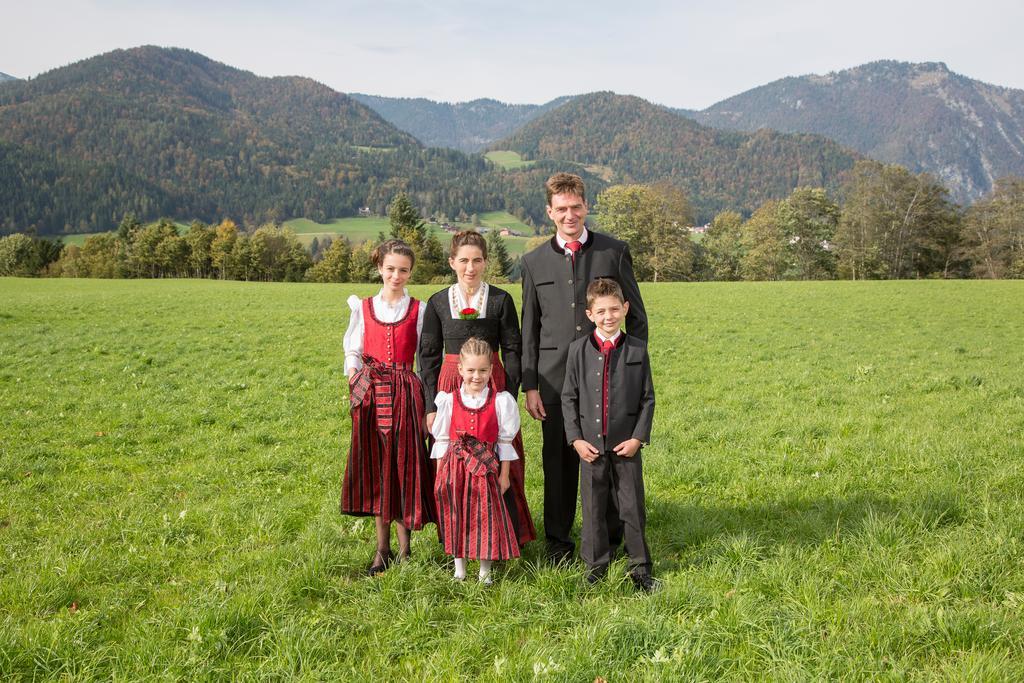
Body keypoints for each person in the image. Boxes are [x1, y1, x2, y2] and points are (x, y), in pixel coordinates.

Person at [520, 172, 648, 564]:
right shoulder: (533, 262)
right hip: (554, 382)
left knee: (606, 463)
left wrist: (633, 368)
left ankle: (608, 540)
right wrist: (530, 385)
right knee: (558, 466)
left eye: (576, 207)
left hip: (608, 382)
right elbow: (530, 328)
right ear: (549, 212)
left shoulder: (614, 252)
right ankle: (558, 543)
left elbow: (638, 318)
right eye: (561, 209)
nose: (569, 215)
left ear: (586, 206)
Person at [418, 230, 536, 547]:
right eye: (464, 261)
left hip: (492, 384)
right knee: (453, 466)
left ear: (485, 262)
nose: (471, 267)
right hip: (451, 385)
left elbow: (513, 349)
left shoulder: (500, 300)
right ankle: (458, 539)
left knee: (500, 459)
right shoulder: (439, 302)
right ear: (452, 262)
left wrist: (508, 396)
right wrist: (431, 406)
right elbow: (427, 356)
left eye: (477, 260)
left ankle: (505, 535)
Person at [341, 239, 436, 576]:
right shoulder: (363, 308)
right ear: (380, 267)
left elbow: (426, 361)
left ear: (411, 272)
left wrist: (428, 404)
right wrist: (355, 379)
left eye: (404, 270)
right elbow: (352, 350)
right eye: (391, 268)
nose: (397, 275)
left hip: (407, 394)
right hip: (373, 395)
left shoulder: (419, 310)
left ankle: (407, 550)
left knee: (405, 468)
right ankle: (382, 550)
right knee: (380, 470)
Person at [561, 279, 657, 592]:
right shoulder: (577, 351)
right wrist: (576, 439)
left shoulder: (637, 350)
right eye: (601, 311)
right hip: (589, 447)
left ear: (625, 309)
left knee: (631, 508)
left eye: (614, 309)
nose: (608, 316)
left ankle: (640, 568)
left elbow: (647, 398)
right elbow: (569, 398)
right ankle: (595, 567)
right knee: (592, 509)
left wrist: (638, 438)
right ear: (589, 314)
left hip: (626, 447)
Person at [430, 337, 521, 584]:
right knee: (456, 514)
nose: (476, 376)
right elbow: (442, 441)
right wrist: (440, 476)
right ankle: (459, 569)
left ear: (491, 369)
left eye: (482, 370)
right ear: (460, 369)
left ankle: (485, 572)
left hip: (486, 469)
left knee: (485, 517)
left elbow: (505, 443)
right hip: (456, 468)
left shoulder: (500, 401)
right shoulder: (448, 401)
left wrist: (503, 476)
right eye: (470, 370)